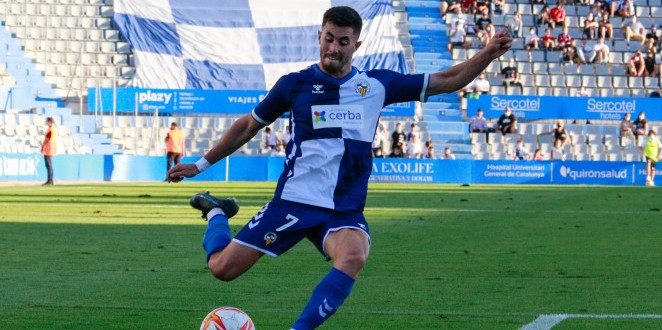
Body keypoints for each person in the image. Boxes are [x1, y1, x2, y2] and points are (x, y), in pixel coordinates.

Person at [166, 6, 513, 330]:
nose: (334, 48)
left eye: (343, 42)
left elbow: (447, 80)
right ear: (319, 36)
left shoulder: (377, 85)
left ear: (356, 44)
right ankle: (216, 212)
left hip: (343, 207)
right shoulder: (293, 84)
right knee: (222, 269)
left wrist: (486, 54)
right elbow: (248, 125)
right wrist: (201, 163)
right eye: (329, 38)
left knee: (354, 255)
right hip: (295, 201)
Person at [40, 117, 56, 185]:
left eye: (48, 122)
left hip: (48, 150)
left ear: (50, 122)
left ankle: (50, 180)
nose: (47, 123)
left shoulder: (50, 130)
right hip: (50, 150)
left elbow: (46, 139)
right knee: (49, 165)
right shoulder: (52, 130)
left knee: (49, 165)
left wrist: (42, 146)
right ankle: (50, 180)